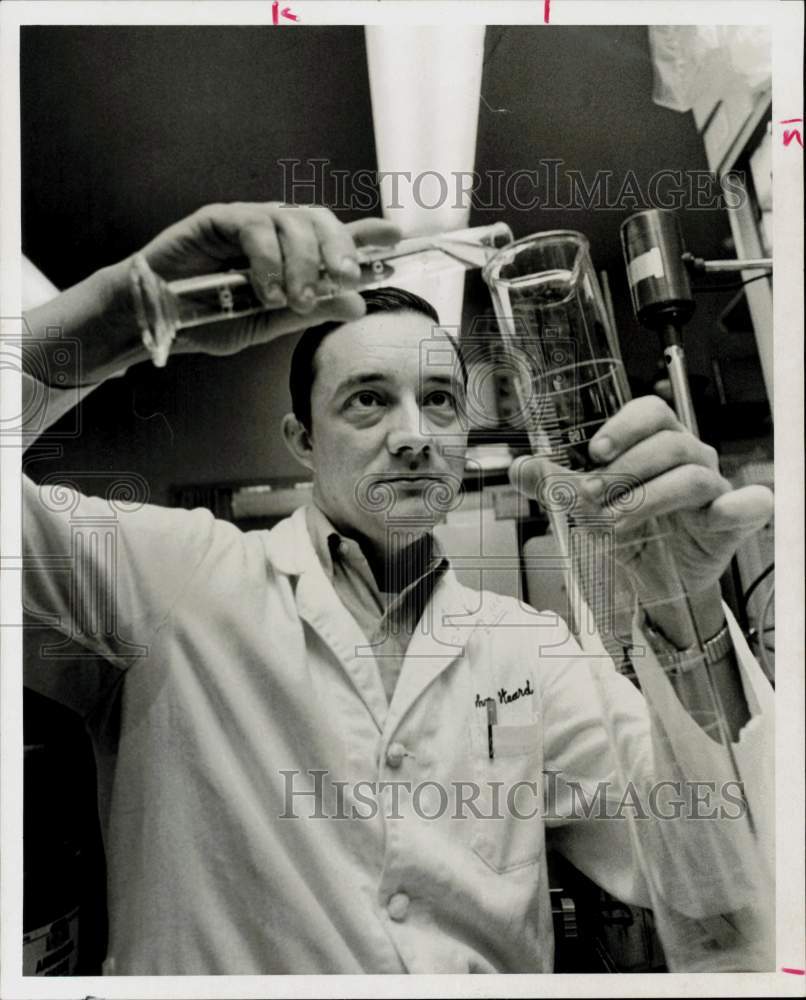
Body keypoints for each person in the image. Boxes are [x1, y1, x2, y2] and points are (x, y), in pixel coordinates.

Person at [20, 203, 774, 974]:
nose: (413, 434)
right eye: (368, 399)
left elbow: (716, 882)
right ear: (303, 442)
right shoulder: (168, 581)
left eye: (440, 399)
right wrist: (121, 311)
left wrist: (685, 613)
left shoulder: (527, 652)